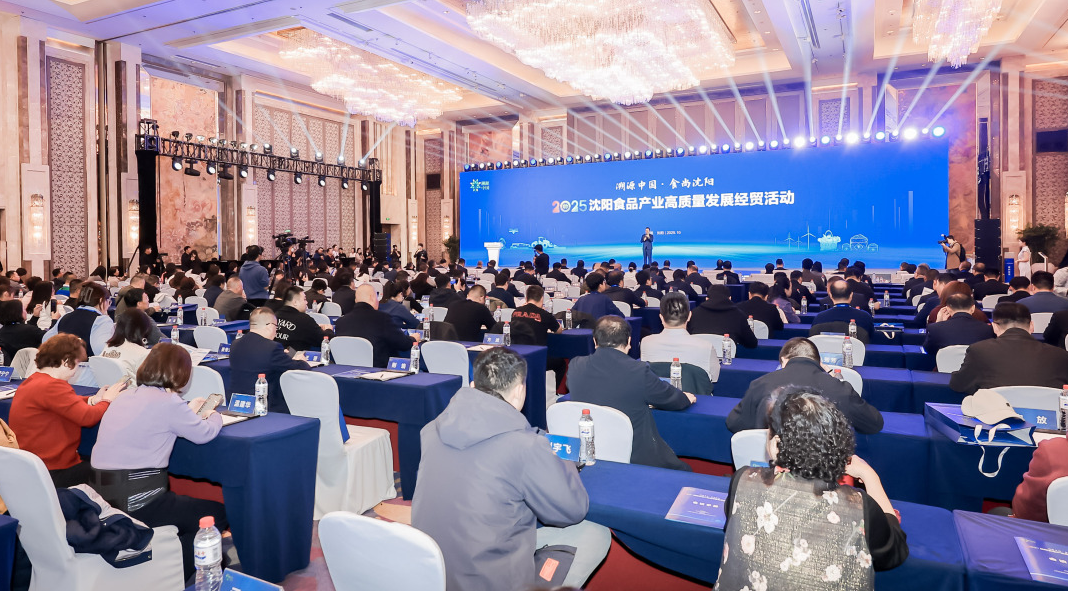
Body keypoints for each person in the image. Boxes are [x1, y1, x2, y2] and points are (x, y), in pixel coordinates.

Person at [412, 347, 609, 591]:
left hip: (433, 574)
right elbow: (572, 510)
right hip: (493, 582)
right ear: (519, 391)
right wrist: (562, 461)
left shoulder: (430, 430)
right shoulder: (525, 446)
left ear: (473, 385)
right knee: (595, 534)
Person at [718, 391, 907, 590]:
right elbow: (895, 551)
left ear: (776, 445)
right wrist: (870, 475)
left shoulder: (742, 480)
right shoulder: (858, 506)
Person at [90, 343, 228, 580]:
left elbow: (158, 418)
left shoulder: (125, 396)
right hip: (138, 499)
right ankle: (179, 575)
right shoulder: (168, 403)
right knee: (216, 514)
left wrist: (186, 409)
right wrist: (213, 415)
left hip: (101, 495)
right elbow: (204, 433)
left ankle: (167, 563)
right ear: (182, 374)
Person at [568, 316, 695, 470]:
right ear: (629, 341)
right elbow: (670, 398)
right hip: (634, 456)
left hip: (588, 453)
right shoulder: (638, 371)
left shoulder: (575, 365)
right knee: (685, 471)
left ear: (595, 341)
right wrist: (686, 398)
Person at [9, 334, 126, 487]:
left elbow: (64, 403)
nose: (75, 372)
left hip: (33, 467)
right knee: (116, 475)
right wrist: (107, 400)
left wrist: (92, 400)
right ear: (66, 361)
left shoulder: (33, 381)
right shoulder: (53, 386)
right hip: (53, 469)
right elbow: (88, 417)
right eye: (76, 365)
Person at [725, 338, 883, 434]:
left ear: (783, 360)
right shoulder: (839, 389)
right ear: (818, 362)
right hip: (821, 471)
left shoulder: (760, 383)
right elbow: (874, 423)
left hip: (771, 468)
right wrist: (829, 374)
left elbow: (734, 423)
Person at [950, 302, 1068, 394]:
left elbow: (958, 385)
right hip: (1048, 416)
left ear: (995, 327)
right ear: (1032, 326)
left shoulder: (979, 351)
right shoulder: (1060, 355)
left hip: (996, 416)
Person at [229, 307, 310, 413]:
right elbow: (300, 368)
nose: (276, 331)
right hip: (265, 406)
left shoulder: (235, 344)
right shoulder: (272, 347)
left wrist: (282, 355)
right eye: (276, 327)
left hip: (238, 404)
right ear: (270, 326)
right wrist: (302, 360)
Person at [640, 292, 719, 382]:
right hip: (694, 391)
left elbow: (646, 377)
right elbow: (714, 378)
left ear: (661, 318)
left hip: (657, 391)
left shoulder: (646, 342)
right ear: (689, 316)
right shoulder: (706, 346)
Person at [334, 285, 414, 367]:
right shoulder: (382, 319)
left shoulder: (340, 322)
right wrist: (413, 339)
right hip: (379, 369)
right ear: (372, 298)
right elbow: (403, 344)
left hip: (346, 369)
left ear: (356, 300)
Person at [43, 282, 115, 357]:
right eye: (109, 302)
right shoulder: (102, 320)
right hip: (89, 363)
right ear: (101, 301)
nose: (108, 306)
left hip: (64, 362)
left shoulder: (65, 317)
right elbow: (103, 351)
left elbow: (46, 340)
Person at [923, 293, 996, 355]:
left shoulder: (935, 328)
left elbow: (928, 350)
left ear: (948, 309)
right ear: (973, 308)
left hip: (945, 367)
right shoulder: (988, 329)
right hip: (977, 367)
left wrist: (939, 323)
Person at [687, 285, 758, 348]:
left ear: (706, 299)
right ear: (730, 298)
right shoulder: (739, 315)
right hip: (727, 357)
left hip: (698, 356)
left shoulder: (694, 313)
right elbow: (752, 343)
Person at [99, 309, 154, 380]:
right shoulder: (142, 354)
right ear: (142, 330)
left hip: (107, 387)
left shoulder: (107, 347)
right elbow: (149, 382)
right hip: (131, 387)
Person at [274, 287, 333, 352]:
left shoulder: (274, 316)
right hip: (294, 357)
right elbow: (323, 341)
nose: (306, 302)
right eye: (304, 299)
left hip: (273, 355)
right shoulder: (304, 320)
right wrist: (329, 330)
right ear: (295, 302)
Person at [0, 300, 44, 364]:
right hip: (32, 364)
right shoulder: (30, 330)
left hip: (11, 366)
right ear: (18, 312)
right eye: (24, 309)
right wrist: (54, 320)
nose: (25, 312)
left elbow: (24, 330)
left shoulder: (2, 331)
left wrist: (35, 317)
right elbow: (50, 338)